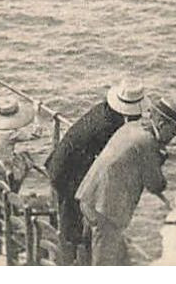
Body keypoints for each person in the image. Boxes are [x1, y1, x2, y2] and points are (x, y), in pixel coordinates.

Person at [77, 94, 176, 266]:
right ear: (162, 124)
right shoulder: (147, 143)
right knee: (103, 263)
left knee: (99, 254)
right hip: (105, 210)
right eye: (174, 129)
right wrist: (160, 158)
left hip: (89, 197)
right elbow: (156, 184)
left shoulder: (133, 127)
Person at [47, 78, 143, 264]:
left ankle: (70, 258)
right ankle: (67, 263)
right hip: (67, 176)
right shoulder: (109, 128)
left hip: (61, 164)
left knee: (72, 221)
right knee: (72, 227)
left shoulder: (103, 110)